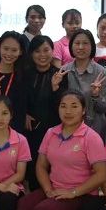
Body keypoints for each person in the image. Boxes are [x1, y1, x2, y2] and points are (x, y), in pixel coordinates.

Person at [17, 90, 106, 210]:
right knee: (24, 206)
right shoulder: (51, 133)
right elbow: (41, 166)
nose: (68, 111)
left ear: (83, 110)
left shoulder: (91, 137)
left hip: (81, 195)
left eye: (74, 106)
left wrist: (73, 192)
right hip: (55, 189)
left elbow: (102, 174)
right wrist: (48, 190)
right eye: (63, 106)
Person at [24, 35, 68, 191]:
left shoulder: (61, 74)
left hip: (53, 128)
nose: (42, 55)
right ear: (31, 54)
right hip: (31, 130)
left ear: (53, 51)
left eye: (46, 50)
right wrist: (25, 113)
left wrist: (55, 88)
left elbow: (63, 104)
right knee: (33, 165)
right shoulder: (25, 74)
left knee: (53, 165)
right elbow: (21, 99)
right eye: (37, 51)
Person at [63, 29, 106, 142]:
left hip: (94, 128)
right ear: (71, 46)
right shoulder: (64, 71)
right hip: (69, 126)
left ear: (92, 47)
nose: (81, 47)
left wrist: (96, 96)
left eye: (85, 43)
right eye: (77, 43)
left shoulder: (102, 73)